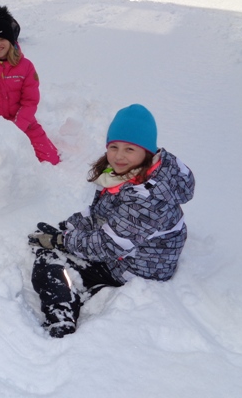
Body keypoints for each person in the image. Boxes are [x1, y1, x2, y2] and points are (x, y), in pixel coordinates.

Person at [28, 104, 195, 338]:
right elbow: (103, 213)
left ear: (146, 151)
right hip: (135, 252)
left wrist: (62, 241)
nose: (119, 155)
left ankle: (61, 314)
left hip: (137, 268)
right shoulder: (133, 174)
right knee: (64, 246)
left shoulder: (145, 199)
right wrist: (69, 228)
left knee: (49, 262)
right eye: (114, 147)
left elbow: (107, 246)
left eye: (129, 149)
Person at [0, 6, 60, 165]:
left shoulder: (26, 67)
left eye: (2, 39)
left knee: (51, 160)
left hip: (24, 124)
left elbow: (30, 102)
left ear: (11, 41)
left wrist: (17, 128)